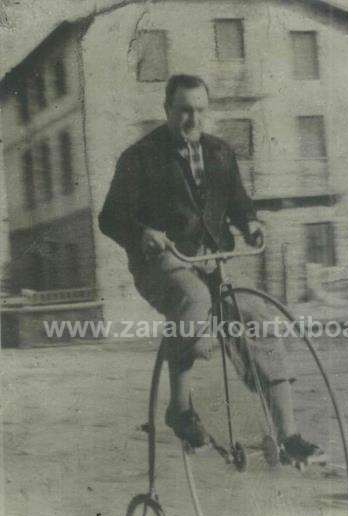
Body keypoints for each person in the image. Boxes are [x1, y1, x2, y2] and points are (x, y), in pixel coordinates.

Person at [99, 74, 323, 464]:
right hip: (162, 262)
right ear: (167, 110)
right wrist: (143, 233)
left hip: (212, 261)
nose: (193, 119)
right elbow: (111, 217)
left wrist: (249, 224)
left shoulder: (220, 152)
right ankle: (181, 409)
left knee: (257, 318)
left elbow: (239, 202)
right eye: (184, 110)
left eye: (201, 110)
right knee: (193, 297)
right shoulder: (140, 157)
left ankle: (289, 434)